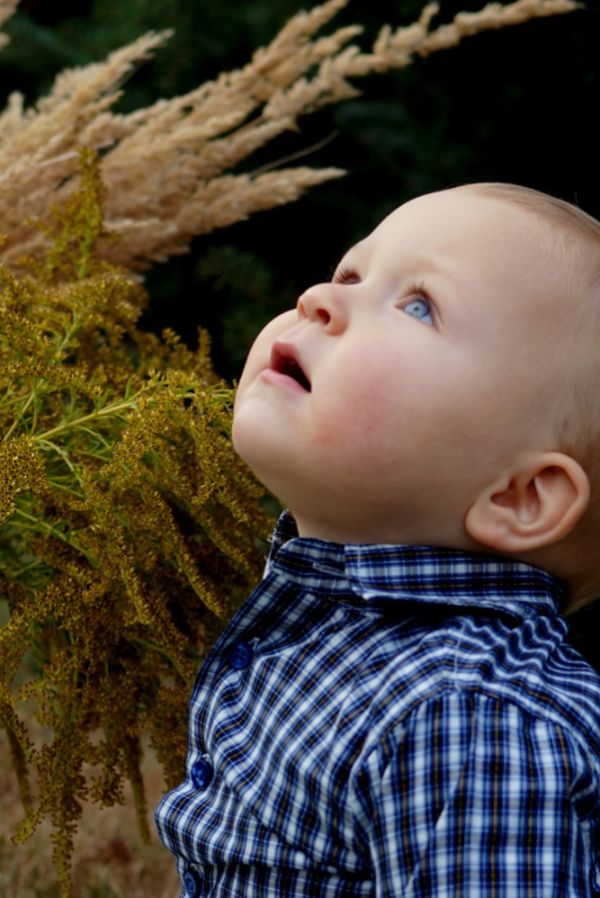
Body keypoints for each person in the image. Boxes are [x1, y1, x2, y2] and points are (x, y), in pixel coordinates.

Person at [155, 183, 600, 897]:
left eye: (419, 305)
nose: (319, 299)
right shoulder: (331, 634)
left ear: (520, 498)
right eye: (351, 273)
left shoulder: (470, 723)